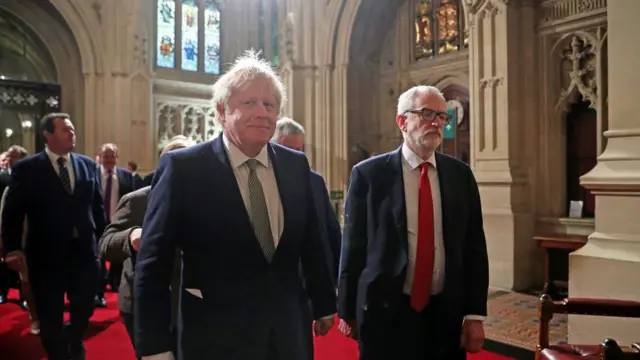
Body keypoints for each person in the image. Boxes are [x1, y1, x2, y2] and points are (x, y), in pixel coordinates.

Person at [134, 50, 337, 360]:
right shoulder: (184, 168)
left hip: (287, 334)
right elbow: (153, 264)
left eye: (269, 104)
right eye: (249, 103)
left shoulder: (296, 165)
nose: (262, 112)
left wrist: (322, 302)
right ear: (221, 111)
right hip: (215, 337)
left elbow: (310, 243)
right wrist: (154, 348)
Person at [337, 85, 489, 360]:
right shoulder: (369, 175)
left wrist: (475, 314)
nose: (437, 122)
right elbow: (354, 246)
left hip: (445, 314)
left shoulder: (460, 175)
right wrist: (347, 310)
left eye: (443, 116)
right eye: (427, 113)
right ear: (402, 122)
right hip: (385, 311)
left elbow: (474, 247)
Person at [2, 113, 105, 360]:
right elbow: (13, 212)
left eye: (72, 129)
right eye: (65, 130)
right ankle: (60, 355)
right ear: (47, 135)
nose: (72, 134)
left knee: (85, 306)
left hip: (84, 252)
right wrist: (13, 248)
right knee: (50, 314)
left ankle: (74, 336)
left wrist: (104, 239)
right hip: (46, 255)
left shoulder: (87, 165)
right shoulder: (27, 169)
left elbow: (97, 208)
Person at [98, 137, 195, 356]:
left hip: (192, 303)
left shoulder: (208, 200)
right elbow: (105, 244)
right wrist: (131, 236)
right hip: (143, 305)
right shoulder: (138, 200)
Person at [272, 117, 342, 280]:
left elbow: (331, 230)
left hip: (311, 277)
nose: (297, 157)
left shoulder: (314, 181)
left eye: (300, 150)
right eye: (292, 150)